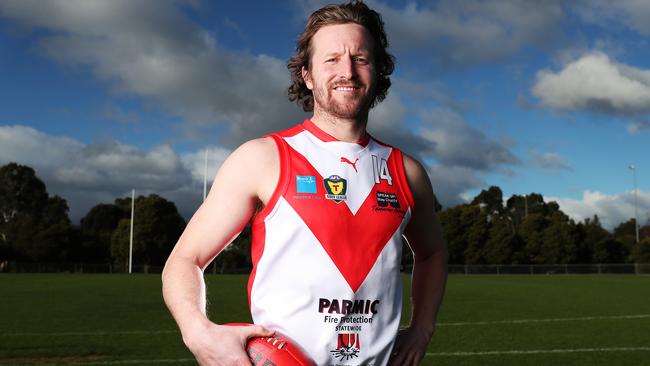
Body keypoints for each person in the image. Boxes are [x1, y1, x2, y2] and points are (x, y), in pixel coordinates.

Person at [162, 1, 448, 365]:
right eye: (331, 59)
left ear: (377, 72)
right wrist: (198, 332)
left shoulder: (407, 172)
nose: (347, 70)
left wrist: (422, 328)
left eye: (360, 58)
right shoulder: (262, 158)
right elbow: (185, 259)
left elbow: (433, 253)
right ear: (308, 76)